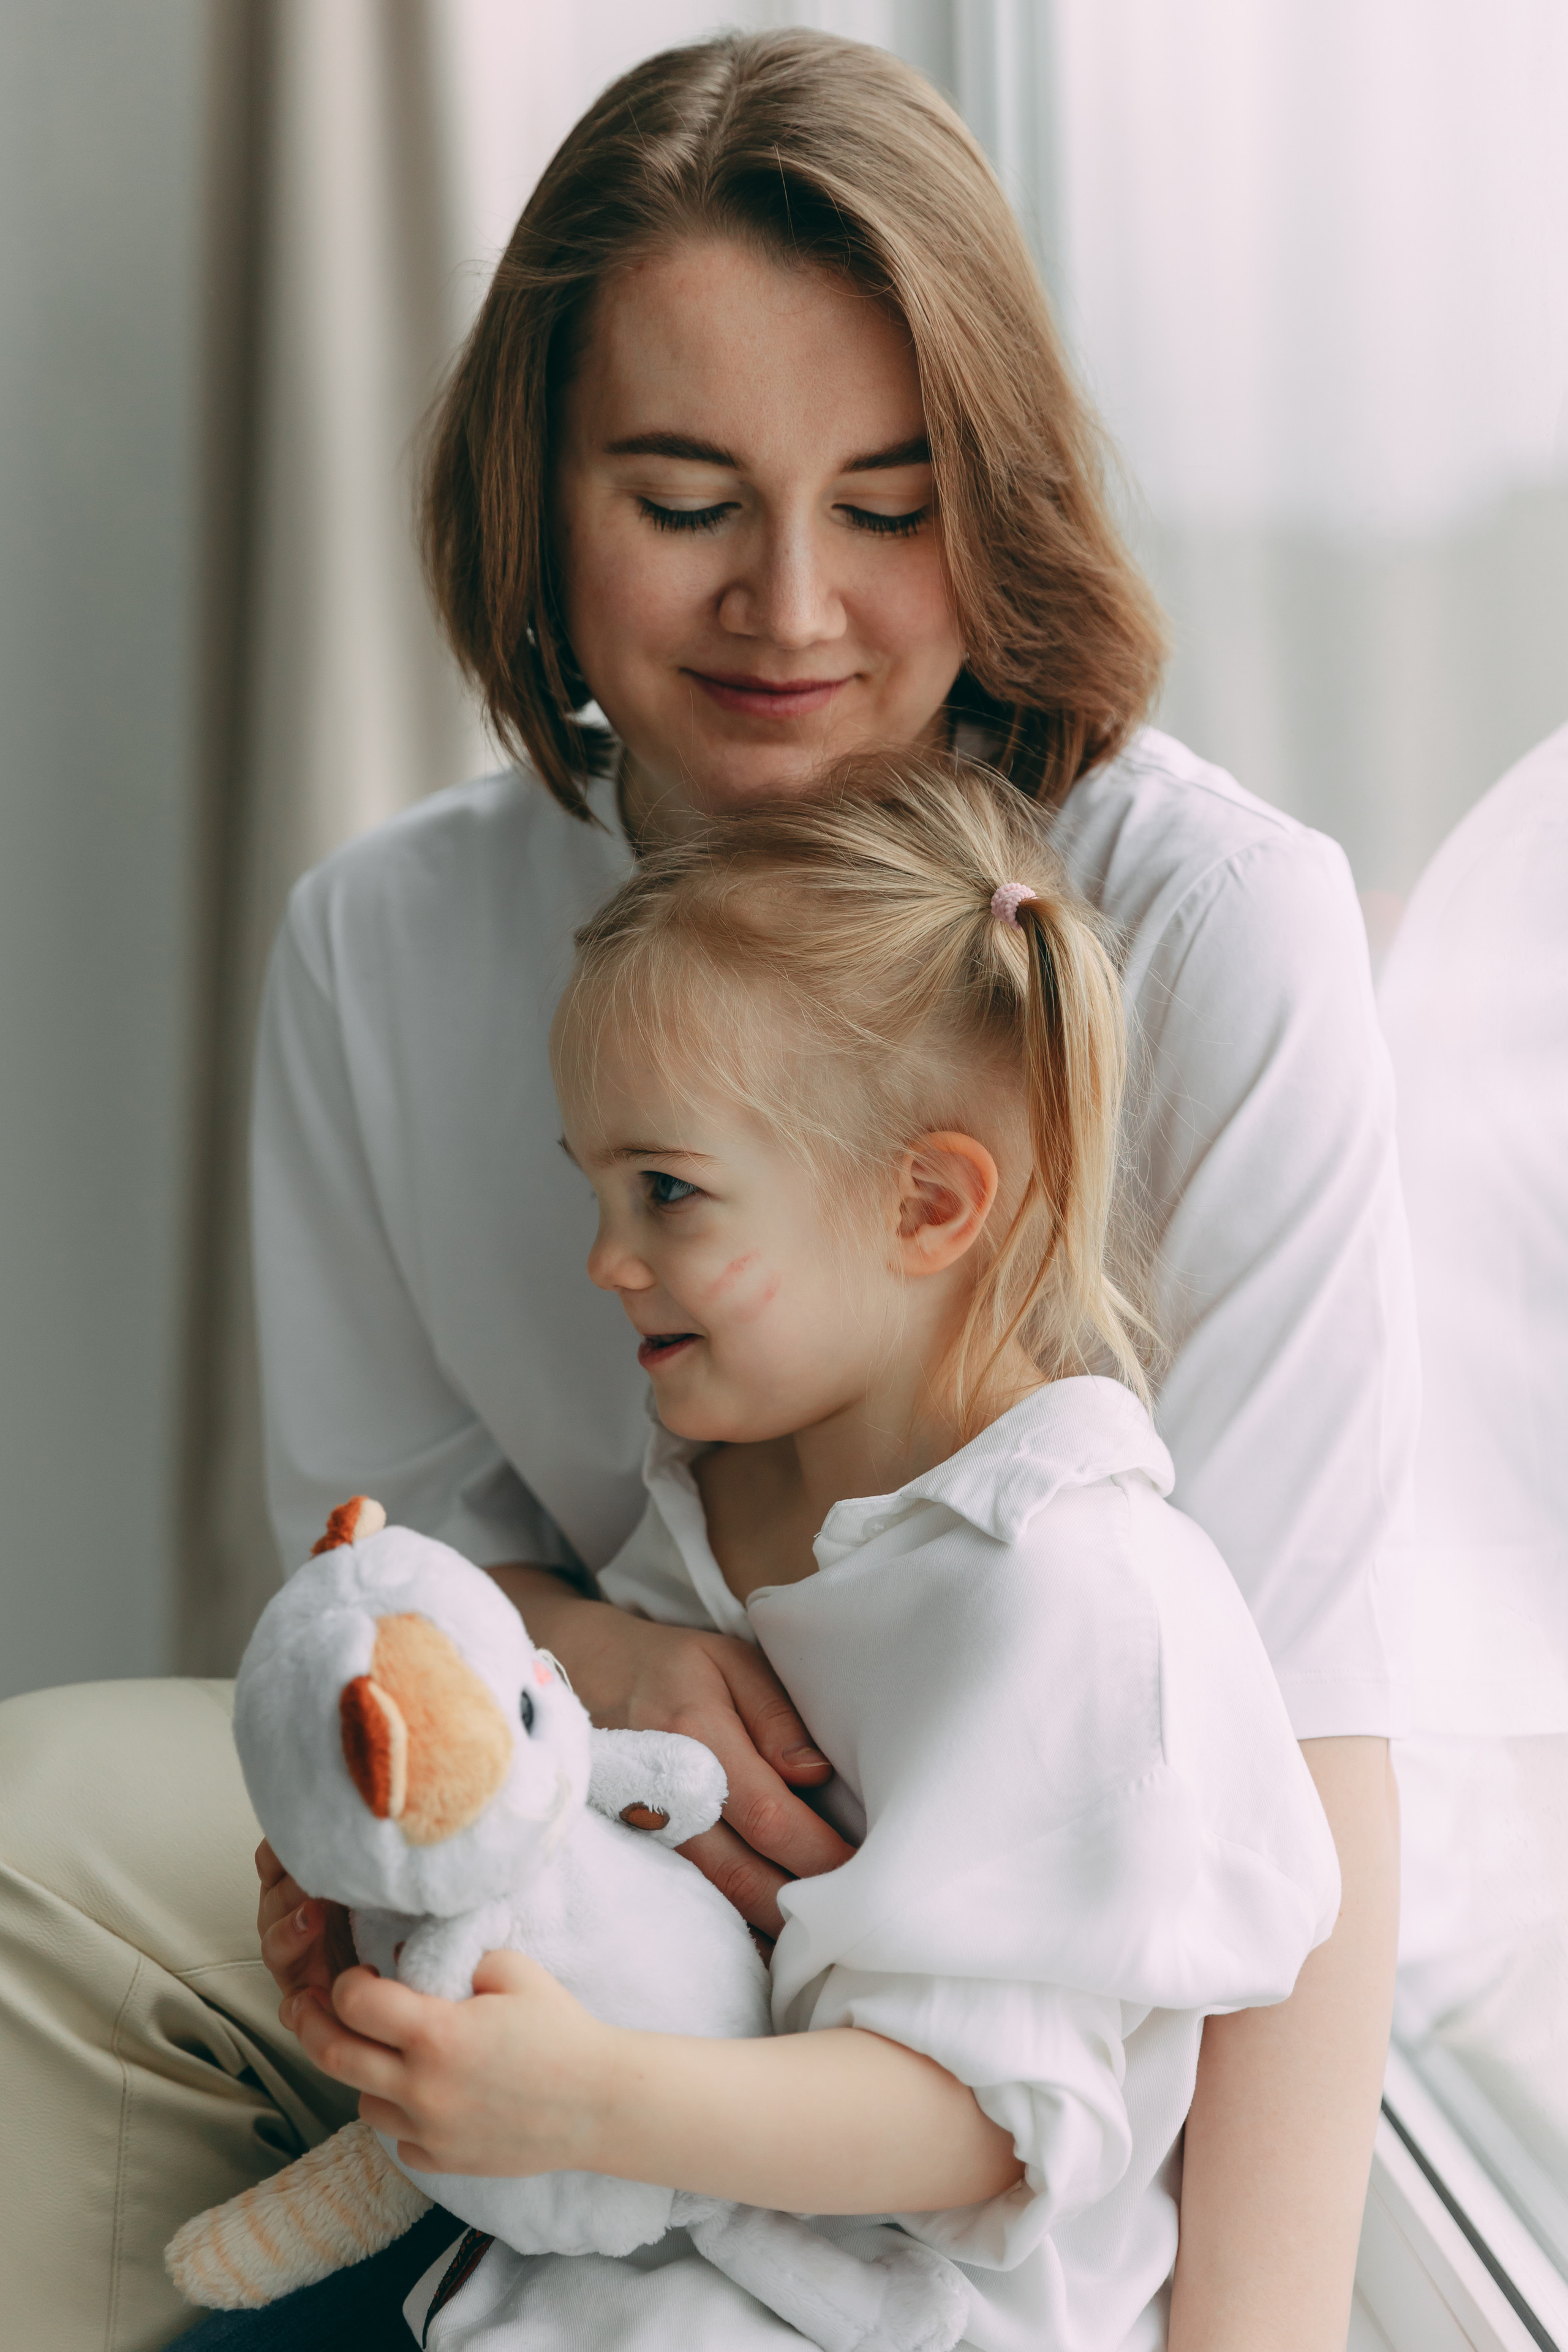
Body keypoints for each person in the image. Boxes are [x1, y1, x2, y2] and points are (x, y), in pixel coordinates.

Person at [0, 30, 1410, 2352]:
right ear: (535, 504)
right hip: (601, 1845)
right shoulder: (384, 942)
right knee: (48, 1827)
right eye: (683, 500)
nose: (793, 606)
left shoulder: (1208, 927)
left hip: (1013, 1998)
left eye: (888, 499)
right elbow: (386, 1580)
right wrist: (610, 1660)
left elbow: (1306, 1753)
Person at [266, 754, 1341, 2352]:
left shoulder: (1073, 1599)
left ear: (927, 1205)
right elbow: (603, 1831)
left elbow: (975, 2123)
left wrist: (595, 2100)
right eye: (600, 1186)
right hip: (634, 2266)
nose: (606, 1259)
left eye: (670, 1194)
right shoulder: (725, 1493)